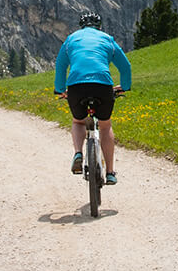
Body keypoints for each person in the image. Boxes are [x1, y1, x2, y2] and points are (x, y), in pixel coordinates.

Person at [54, 12, 131, 185]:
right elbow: (125, 66)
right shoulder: (107, 39)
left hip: (76, 86)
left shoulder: (71, 40)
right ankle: (110, 172)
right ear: (99, 26)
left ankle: (78, 153)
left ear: (81, 26)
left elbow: (60, 66)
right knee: (105, 126)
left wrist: (60, 90)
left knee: (78, 121)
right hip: (102, 86)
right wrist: (124, 86)